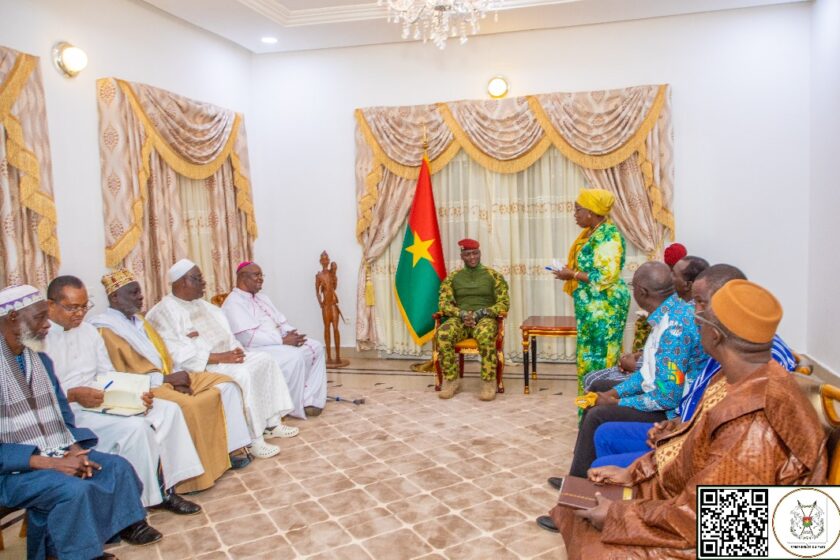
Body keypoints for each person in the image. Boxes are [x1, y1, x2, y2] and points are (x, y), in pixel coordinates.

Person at [538, 279, 828, 559]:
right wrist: (635, 472)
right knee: (584, 500)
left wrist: (616, 517)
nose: (692, 317)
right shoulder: (737, 376)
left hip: (738, 531)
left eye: (699, 315)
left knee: (596, 536)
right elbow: (695, 441)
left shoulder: (753, 423)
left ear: (715, 335)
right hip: (693, 497)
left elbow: (709, 520)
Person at [0, 285, 162, 560]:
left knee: (116, 467)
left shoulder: (39, 359)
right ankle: (77, 554)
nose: (47, 324)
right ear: (14, 317)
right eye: (40, 317)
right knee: (71, 489)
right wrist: (51, 463)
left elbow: (63, 414)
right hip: (12, 471)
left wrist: (74, 449)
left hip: (54, 449)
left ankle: (84, 544)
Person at [589, 264, 798, 469]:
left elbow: (707, 487)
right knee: (605, 435)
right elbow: (701, 410)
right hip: (686, 431)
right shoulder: (728, 361)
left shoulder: (751, 395)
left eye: (700, 302)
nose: (693, 312)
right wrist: (676, 425)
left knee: (603, 460)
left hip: (691, 453)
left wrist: (638, 475)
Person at [44, 276, 202, 513]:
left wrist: (136, 393)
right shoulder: (40, 339)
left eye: (84, 306)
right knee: (137, 429)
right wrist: (74, 394)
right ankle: (142, 502)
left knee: (168, 410)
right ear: (50, 305)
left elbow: (107, 373)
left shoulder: (88, 332)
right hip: (70, 410)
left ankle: (169, 488)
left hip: (101, 398)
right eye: (71, 308)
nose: (79, 314)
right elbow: (42, 392)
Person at [90, 269, 253, 485]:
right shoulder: (107, 331)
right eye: (133, 293)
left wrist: (177, 375)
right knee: (190, 405)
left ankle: (231, 451)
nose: (140, 297)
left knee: (228, 385)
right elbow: (123, 374)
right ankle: (196, 478)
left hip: (169, 374)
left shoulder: (139, 321)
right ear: (114, 298)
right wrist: (168, 381)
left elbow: (164, 354)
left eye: (139, 292)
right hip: (148, 386)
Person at [563, 262, 707, 479]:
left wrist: (617, 403)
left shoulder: (673, 329)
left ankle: (578, 484)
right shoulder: (670, 311)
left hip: (670, 411)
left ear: (642, 292)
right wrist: (615, 393)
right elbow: (648, 373)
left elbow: (666, 397)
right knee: (599, 387)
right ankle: (581, 466)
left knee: (597, 415)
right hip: (661, 391)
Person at [146, 259, 298, 459]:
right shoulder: (163, 312)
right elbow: (178, 354)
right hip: (203, 368)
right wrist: (222, 357)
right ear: (183, 282)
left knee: (265, 360)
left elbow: (226, 332)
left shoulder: (202, 304)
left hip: (226, 357)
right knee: (242, 374)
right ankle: (254, 440)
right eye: (198, 279)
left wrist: (235, 350)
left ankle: (272, 423)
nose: (204, 283)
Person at [222, 261, 328, 419]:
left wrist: (293, 334)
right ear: (243, 277)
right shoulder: (233, 302)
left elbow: (280, 321)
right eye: (256, 275)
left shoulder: (262, 298)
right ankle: (290, 406)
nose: (261, 279)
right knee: (295, 357)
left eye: (261, 275)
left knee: (317, 346)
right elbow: (247, 338)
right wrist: (282, 340)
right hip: (257, 348)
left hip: (277, 342)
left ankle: (309, 399)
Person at [552, 188, 630, 400]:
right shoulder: (591, 233)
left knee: (602, 357)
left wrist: (573, 274)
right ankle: (589, 408)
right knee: (589, 357)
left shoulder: (608, 236)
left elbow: (607, 275)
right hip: (592, 308)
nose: (575, 214)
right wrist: (571, 274)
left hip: (605, 307)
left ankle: (600, 409)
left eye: (578, 210)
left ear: (592, 211)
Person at [435, 238, 510, 401]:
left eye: (475, 253)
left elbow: (504, 303)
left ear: (480, 253)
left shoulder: (493, 275)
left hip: (485, 319)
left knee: (484, 335)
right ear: (462, 256)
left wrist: (482, 312)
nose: (472, 257)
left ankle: (489, 382)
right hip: (461, 319)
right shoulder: (453, 277)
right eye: (468, 254)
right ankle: (451, 380)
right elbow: (443, 303)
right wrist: (461, 314)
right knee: (443, 334)